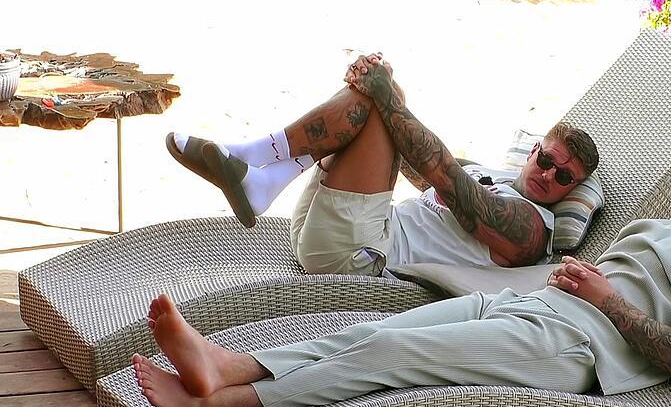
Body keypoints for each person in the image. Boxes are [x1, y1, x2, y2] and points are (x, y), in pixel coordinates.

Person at [134, 130, 671, 407]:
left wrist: (608, 300)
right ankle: (230, 366)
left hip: (573, 349)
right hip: (525, 306)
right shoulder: (668, 226)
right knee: (370, 332)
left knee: (392, 353)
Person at [166, 53, 599, 275]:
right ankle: (262, 172)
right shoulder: (492, 174)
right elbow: (414, 157)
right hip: (331, 232)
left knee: (383, 104)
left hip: (360, 257)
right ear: (533, 151)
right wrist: (381, 80)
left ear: (572, 190)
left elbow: (445, 176)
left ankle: (257, 162)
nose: (549, 175)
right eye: (547, 160)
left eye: (565, 177)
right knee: (385, 96)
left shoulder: (533, 228)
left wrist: (385, 94)